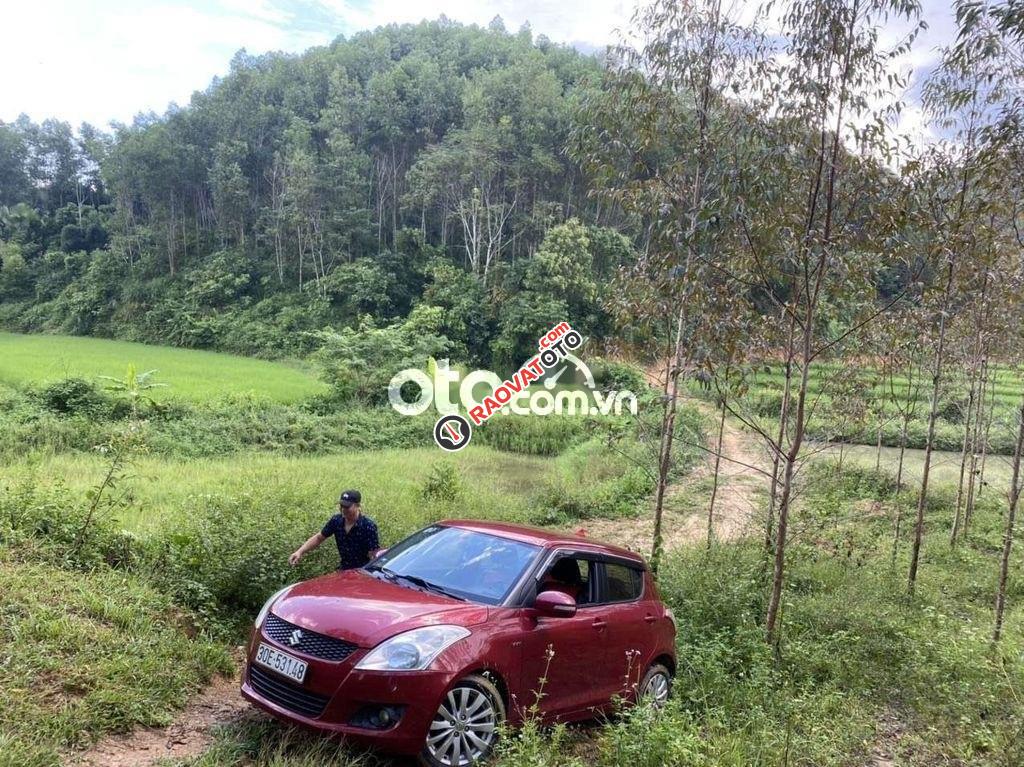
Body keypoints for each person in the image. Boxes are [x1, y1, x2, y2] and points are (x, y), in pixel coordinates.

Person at [289, 490, 380, 571]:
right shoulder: (336, 521)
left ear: (357, 506)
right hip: (343, 570)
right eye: (341, 506)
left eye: (347, 507)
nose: (343, 509)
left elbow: (374, 554)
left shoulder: (368, 526)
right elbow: (319, 537)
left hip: (361, 573)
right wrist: (299, 552)